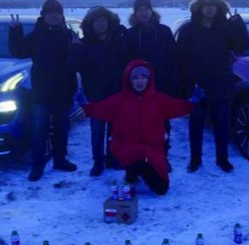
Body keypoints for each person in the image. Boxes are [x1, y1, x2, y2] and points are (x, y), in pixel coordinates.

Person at [76, 60, 204, 195]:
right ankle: (132, 170)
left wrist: (192, 101)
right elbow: (100, 109)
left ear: (149, 79)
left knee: (161, 188)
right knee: (133, 157)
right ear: (129, 80)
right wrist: (84, 103)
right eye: (135, 78)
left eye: (143, 77)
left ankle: (136, 170)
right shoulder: (119, 101)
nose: (140, 81)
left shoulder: (160, 100)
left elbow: (177, 107)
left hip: (152, 148)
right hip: (127, 147)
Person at [177, 0, 249, 173]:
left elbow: (242, 46)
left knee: (222, 124)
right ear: (200, 7)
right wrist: (185, 84)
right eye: (206, 5)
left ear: (219, 8)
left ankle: (222, 159)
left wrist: (240, 27)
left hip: (221, 84)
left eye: (214, 5)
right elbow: (180, 58)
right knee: (196, 124)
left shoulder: (225, 28)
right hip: (197, 85)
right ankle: (195, 160)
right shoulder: (189, 29)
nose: (210, 9)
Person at [8, 0, 80, 182]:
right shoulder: (35, 36)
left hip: (64, 92)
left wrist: (76, 48)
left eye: (57, 13)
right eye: (50, 13)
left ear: (61, 15)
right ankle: (37, 166)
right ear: (44, 15)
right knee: (39, 130)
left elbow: (75, 63)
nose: (54, 16)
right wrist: (15, 31)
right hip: (41, 93)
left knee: (61, 129)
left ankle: (60, 160)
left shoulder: (68, 35)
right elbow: (18, 52)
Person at [122, 0, 179, 168]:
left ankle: (162, 156)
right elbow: (125, 61)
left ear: (151, 10)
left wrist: (173, 84)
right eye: (140, 10)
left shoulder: (164, 31)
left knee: (162, 124)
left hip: (162, 86)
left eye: (146, 9)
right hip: (138, 87)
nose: (143, 13)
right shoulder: (130, 34)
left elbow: (174, 58)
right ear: (135, 13)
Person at [75, 6, 126, 177]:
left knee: (115, 130)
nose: (100, 24)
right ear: (91, 24)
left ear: (109, 22)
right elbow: (75, 65)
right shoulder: (84, 43)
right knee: (97, 130)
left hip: (116, 92)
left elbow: (127, 60)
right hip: (95, 93)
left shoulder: (118, 40)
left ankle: (113, 158)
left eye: (103, 20)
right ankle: (97, 162)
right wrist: (75, 49)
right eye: (97, 21)